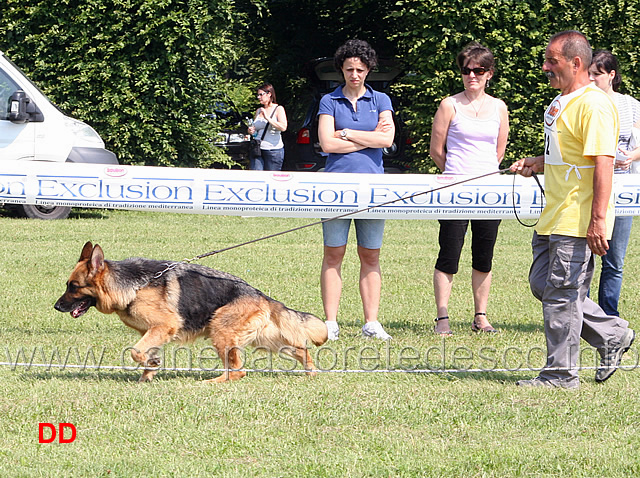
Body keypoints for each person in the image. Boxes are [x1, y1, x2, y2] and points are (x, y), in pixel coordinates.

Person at [511, 31, 635, 389]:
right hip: (554, 213)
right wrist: (538, 161)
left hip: (577, 218)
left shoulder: (594, 105)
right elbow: (568, 154)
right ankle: (612, 334)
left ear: (576, 63)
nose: (545, 67)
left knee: (562, 294)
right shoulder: (559, 102)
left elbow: (603, 163)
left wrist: (597, 220)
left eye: (552, 61)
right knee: (545, 285)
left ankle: (560, 375)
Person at [429, 42, 509, 336]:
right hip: (454, 190)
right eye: (466, 70)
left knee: (483, 255)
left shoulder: (499, 107)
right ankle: (442, 317)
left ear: (489, 73)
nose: (472, 76)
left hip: (490, 192)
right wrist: (457, 176)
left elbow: (498, 153)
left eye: (478, 70)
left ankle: (481, 315)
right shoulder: (449, 105)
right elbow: (437, 151)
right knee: (449, 254)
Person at [317, 39, 395, 340]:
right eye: (349, 69)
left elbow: (386, 141)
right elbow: (327, 144)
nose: (354, 74)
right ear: (341, 69)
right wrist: (369, 136)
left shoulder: (382, 100)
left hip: (374, 189)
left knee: (370, 255)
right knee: (333, 253)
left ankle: (371, 322)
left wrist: (347, 133)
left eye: (360, 69)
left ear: (368, 70)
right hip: (336, 187)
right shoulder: (329, 101)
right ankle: (331, 322)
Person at [588, 50, 640, 317]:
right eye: (589, 74)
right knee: (584, 259)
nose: (592, 79)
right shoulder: (584, 102)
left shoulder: (630, 104)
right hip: (592, 187)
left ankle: (609, 315)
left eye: (597, 74)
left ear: (611, 75)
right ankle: (581, 312)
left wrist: (631, 155)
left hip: (623, 188)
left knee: (615, 260)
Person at [247, 83, 287, 171]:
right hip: (258, 149)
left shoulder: (278, 109)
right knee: (257, 176)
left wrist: (268, 118)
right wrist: (251, 131)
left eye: (261, 94)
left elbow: (283, 127)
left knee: (271, 178)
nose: (258, 97)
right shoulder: (258, 111)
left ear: (269, 94)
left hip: (273, 150)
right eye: (258, 95)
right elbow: (255, 129)